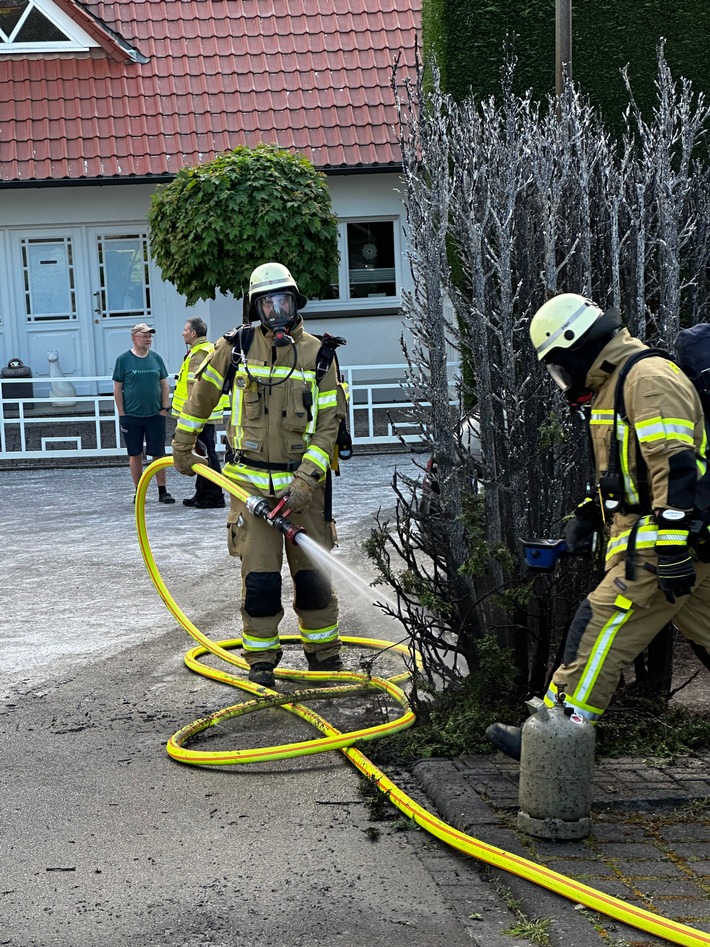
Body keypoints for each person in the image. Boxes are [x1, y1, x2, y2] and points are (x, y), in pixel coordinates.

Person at [487, 292, 710, 760]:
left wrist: (670, 549)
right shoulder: (615, 385)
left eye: (559, 366)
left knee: (598, 628)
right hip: (677, 541)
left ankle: (549, 738)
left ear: (578, 347)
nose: (562, 379)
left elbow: (676, 467)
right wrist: (590, 514)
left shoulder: (646, 379)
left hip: (663, 544)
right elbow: (629, 473)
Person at [171, 262, 348, 686]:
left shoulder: (319, 355)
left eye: (283, 300)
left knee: (313, 581)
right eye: (267, 303)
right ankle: (262, 663)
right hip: (249, 489)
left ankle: (323, 657)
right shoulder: (234, 348)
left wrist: (306, 482)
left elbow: (329, 429)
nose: (276, 311)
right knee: (261, 583)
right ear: (255, 307)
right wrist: (182, 444)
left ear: (295, 302)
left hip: (303, 493)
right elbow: (200, 396)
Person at [112, 323, 175, 504]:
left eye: (150, 336)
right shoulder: (123, 360)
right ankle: (139, 492)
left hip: (155, 415)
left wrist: (164, 408)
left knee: (158, 453)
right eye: (144, 335)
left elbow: (164, 384)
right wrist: (122, 413)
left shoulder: (156, 359)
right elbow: (118, 388)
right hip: (131, 416)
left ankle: (163, 491)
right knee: (135, 454)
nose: (148, 339)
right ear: (134, 338)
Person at [172, 317, 226, 509]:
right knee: (202, 452)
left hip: (200, 415)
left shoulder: (199, 353)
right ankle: (202, 493)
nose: (182, 332)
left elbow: (195, 389)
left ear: (193, 334)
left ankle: (214, 496)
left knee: (207, 453)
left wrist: (189, 416)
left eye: (185, 330)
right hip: (204, 413)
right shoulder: (203, 350)